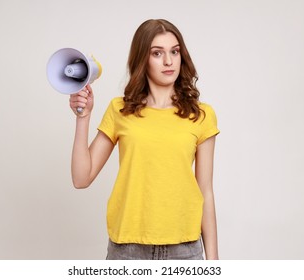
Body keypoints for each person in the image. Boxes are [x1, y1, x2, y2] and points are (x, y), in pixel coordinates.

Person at [69, 19, 220, 260]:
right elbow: (81, 178)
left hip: (185, 251)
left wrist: (213, 263)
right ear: (143, 59)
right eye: (157, 53)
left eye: (174, 51)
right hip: (127, 251)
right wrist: (83, 118)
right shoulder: (120, 110)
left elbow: (206, 192)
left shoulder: (201, 115)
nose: (169, 61)